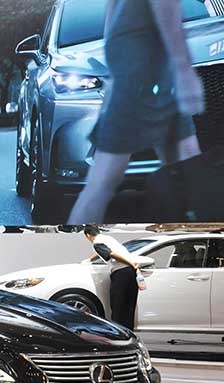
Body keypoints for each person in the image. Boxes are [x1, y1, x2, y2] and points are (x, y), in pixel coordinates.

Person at [67, 0, 205, 224]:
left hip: (143, 63)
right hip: (145, 66)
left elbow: (112, 12)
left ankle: (190, 237)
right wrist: (183, 69)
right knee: (105, 178)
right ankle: (74, 239)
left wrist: (114, 72)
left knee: (186, 162)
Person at [83, 225, 144, 330]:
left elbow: (111, 254)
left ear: (88, 235)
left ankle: (118, 332)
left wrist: (131, 263)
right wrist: (90, 260)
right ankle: (129, 332)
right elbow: (104, 252)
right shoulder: (107, 238)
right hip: (131, 272)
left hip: (121, 273)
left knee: (118, 305)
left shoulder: (96, 243)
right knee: (129, 305)